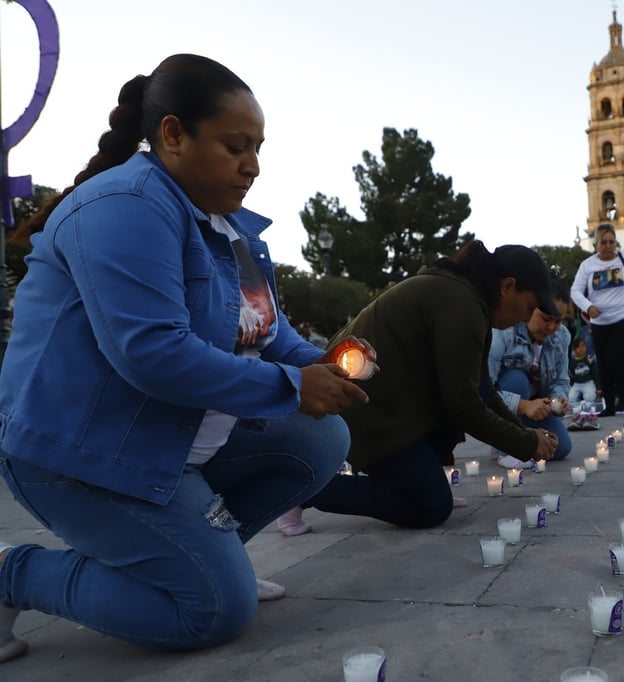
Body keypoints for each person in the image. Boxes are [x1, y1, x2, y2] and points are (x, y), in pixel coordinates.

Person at [0, 54, 365, 662]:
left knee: (323, 437)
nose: (253, 166)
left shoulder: (230, 231)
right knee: (211, 611)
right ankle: (14, 574)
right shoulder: (125, 206)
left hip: (166, 445)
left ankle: (198, 557)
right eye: (235, 146)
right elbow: (152, 353)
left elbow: (271, 337)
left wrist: (334, 362)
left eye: (257, 148)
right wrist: (292, 386)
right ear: (173, 134)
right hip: (83, 455)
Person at [281, 242, 560, 531]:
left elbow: (481, 389)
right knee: (429, 506)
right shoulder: (462, 304)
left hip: (390, 408)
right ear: (507, 286)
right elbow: (464, 404)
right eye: (528, 307)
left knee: (451, 423)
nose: (527, 318)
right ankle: (301, 489)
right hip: (362, 413)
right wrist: (526, 442)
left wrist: (523, 434)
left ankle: (419, 479)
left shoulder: (465, 298)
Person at [488, 279, 574, 468]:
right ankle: (505, 446)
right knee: (516, 379)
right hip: (503, 408)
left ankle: (524, 437)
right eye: (545, 318)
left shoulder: (562, 337)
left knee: (560, 447)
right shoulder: (502, 332)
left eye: (558, 321)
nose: (551, 328)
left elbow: (561, 378)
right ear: (530, 309)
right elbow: (483, 390)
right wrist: (522, 405)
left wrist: (558, 400)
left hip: (537, 407)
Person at [571, 224, 624, 417]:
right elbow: (574, 290)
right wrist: (588, 306)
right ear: (596, 244)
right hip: (599, 323)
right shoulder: (587, 265)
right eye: (603, 242)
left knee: (616, 358)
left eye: (611, 242)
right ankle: (608, 404)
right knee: (604, 363)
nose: (607, 246)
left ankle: (622, 397)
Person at [567, 336, 600, 405]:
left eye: (583, 346)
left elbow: (595, 374)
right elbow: (571, 376)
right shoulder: (572, 362)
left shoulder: (589, 359)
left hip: (588, 383)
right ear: (575, 349)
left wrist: (598, 387)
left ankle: (586, 396)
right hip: (577, 384)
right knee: (570, 398)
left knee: (589, 398)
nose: (581, 349)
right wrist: (570, 386)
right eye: (578, 347)